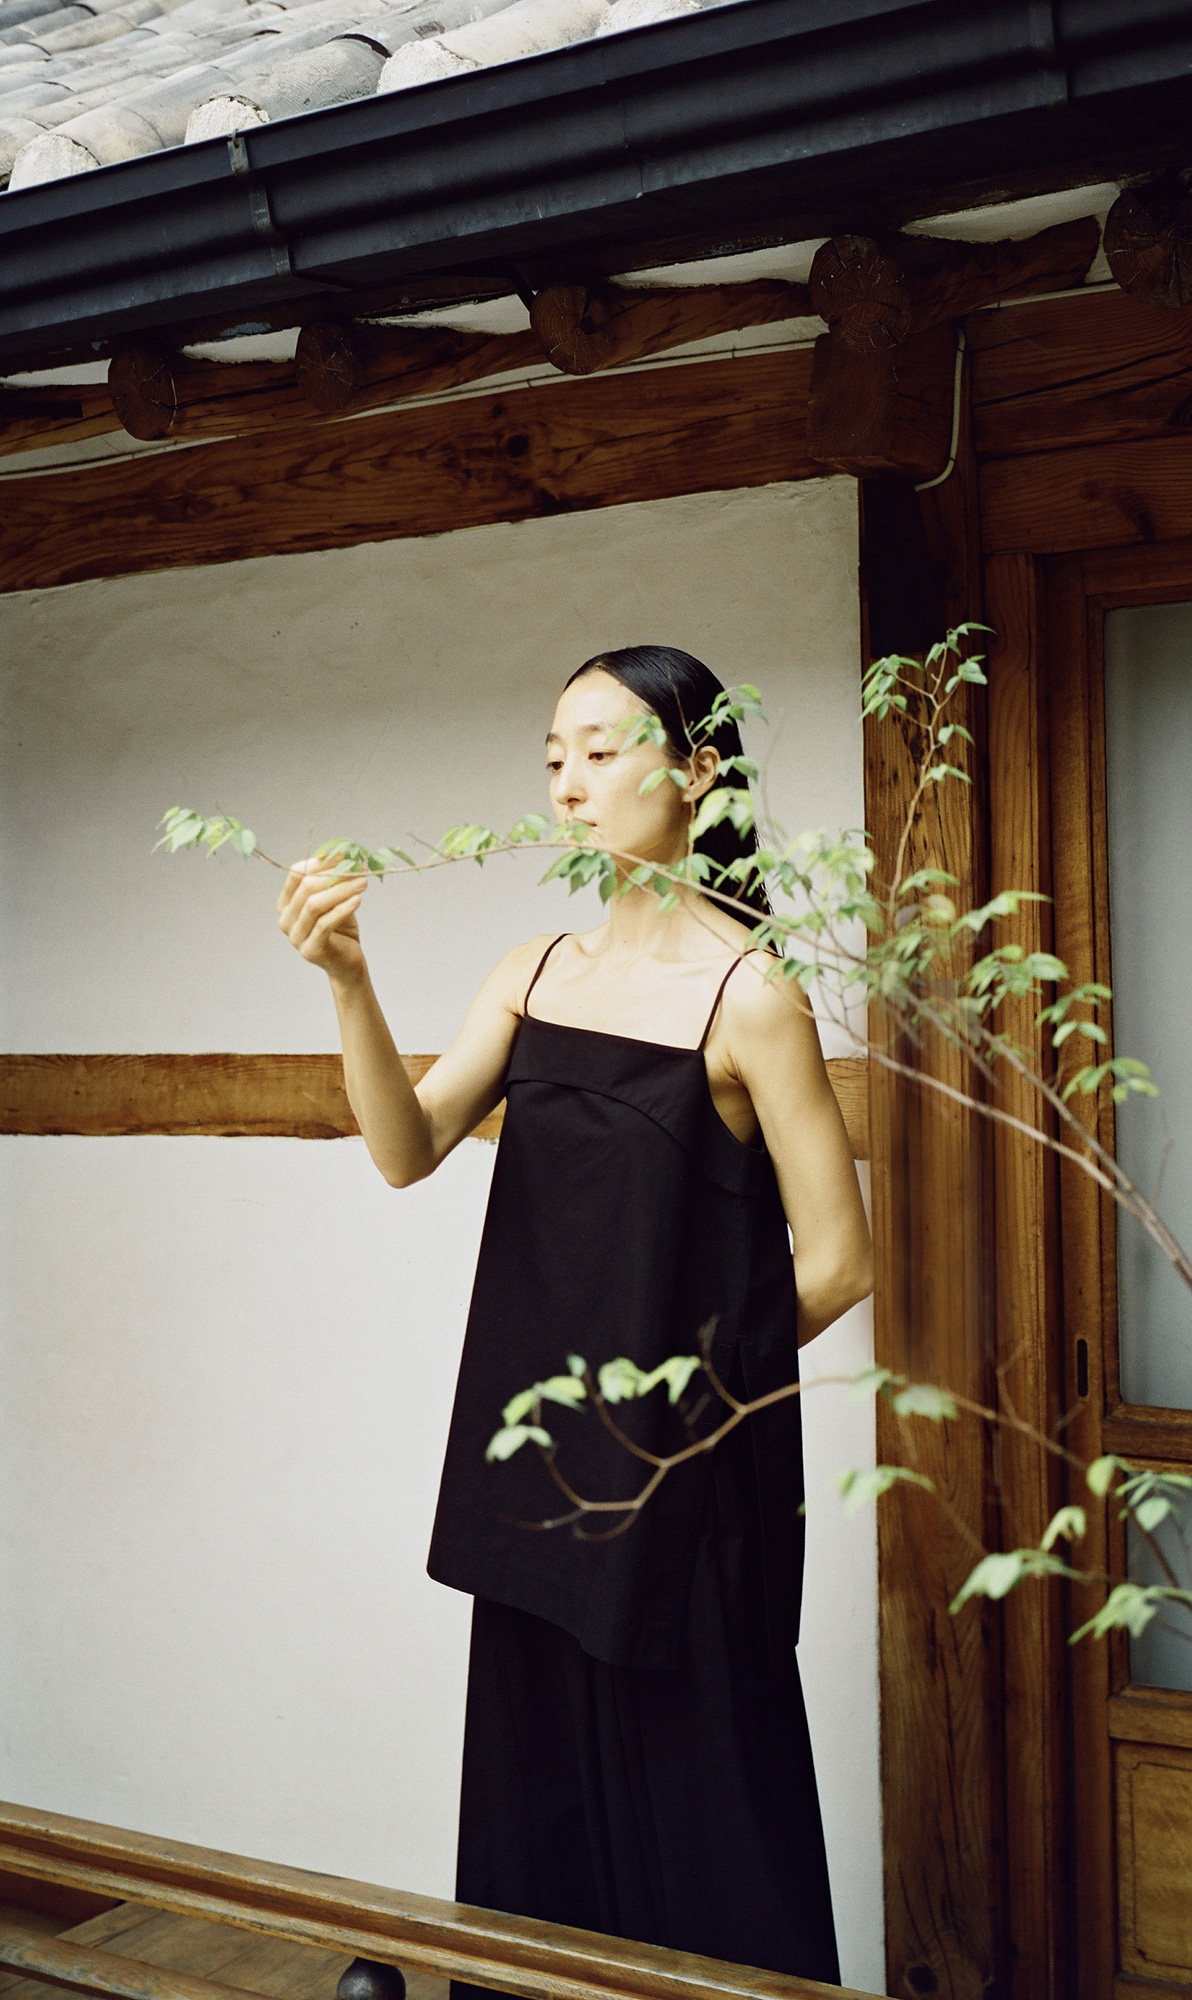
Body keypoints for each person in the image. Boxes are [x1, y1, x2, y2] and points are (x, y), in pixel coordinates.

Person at [276, 645, 874, 1987]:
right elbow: (405, 1148)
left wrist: (681, 1412)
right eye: (554, 758)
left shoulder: (752, 996)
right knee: (537, 1812)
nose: (567, 784)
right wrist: (349, 979)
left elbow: (838, 1262)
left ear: (698, 771)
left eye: (600, 752)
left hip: (685, 1485)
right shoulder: (533, 971)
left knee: (713, 1819)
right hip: (538, 1471)